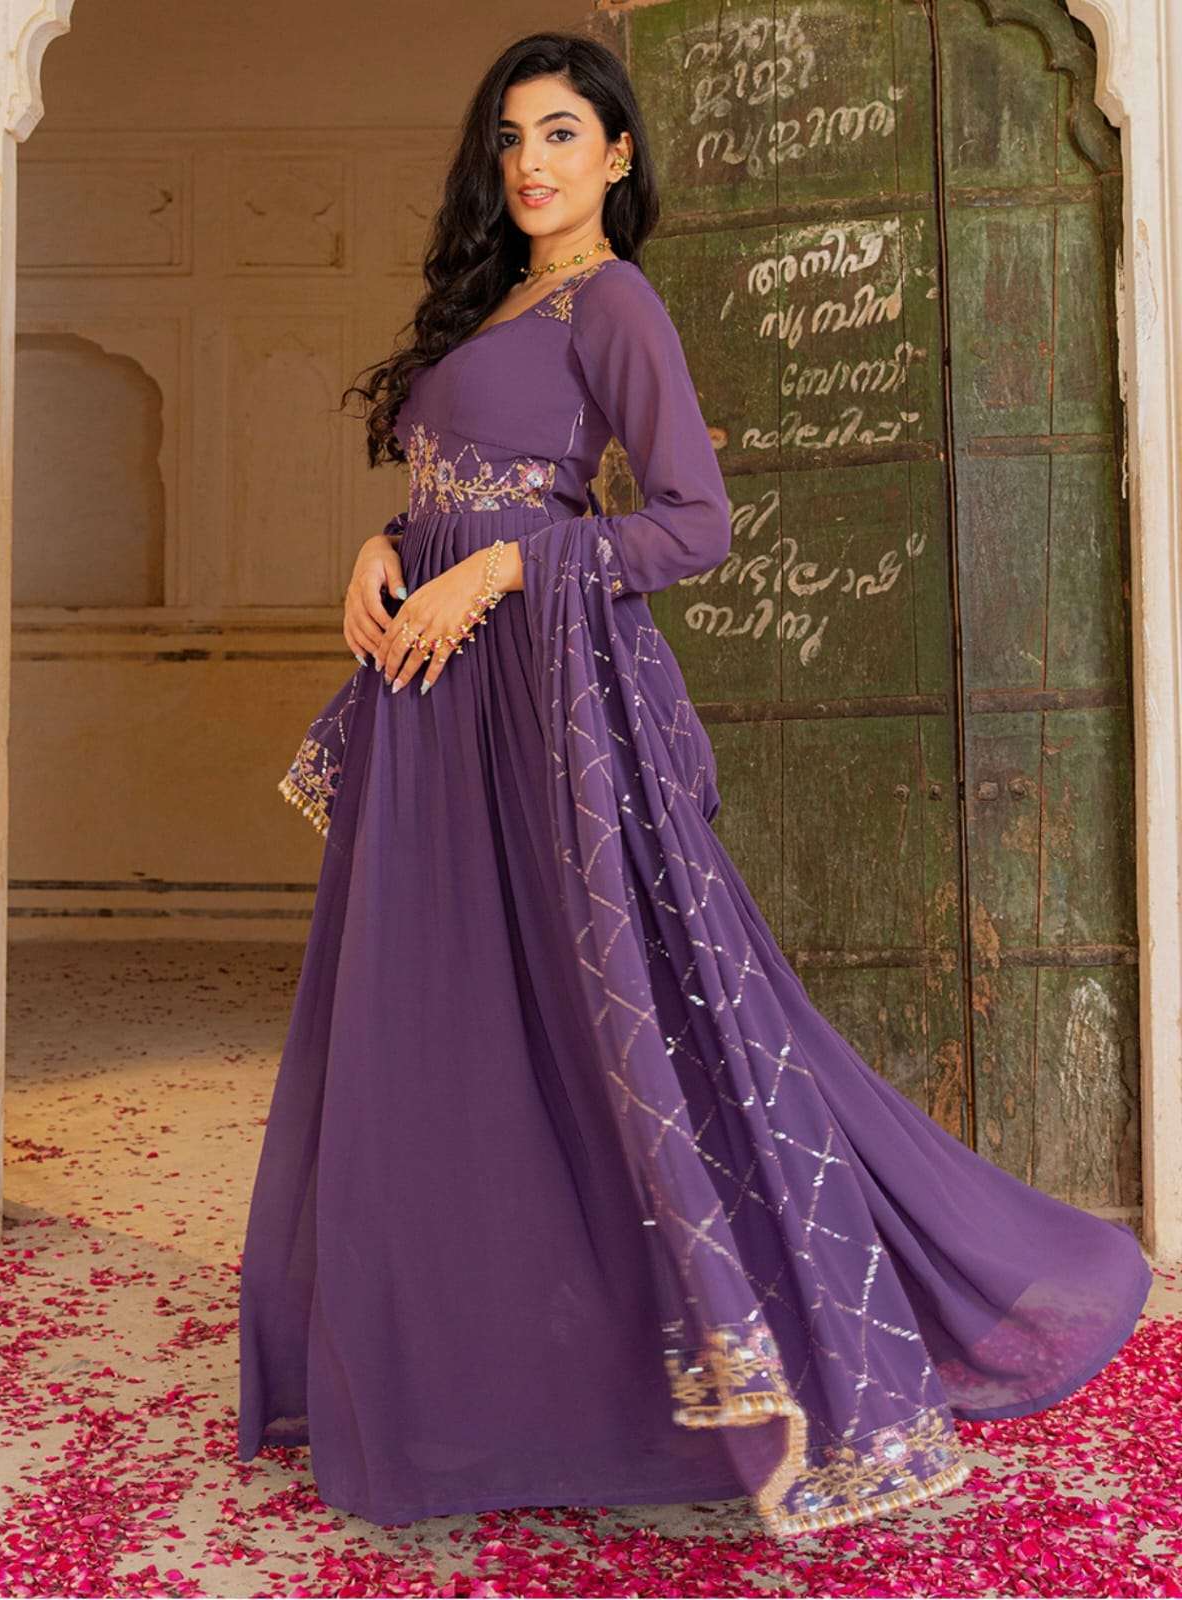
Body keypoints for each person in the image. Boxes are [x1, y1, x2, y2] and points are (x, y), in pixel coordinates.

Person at [237, 31, 1153, 1539]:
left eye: (561, 133)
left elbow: (693, 524)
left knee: (631, 1020)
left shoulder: (616, 302)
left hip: (541, 705)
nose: (530, 162)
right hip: (440, 700)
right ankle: (475, 1355)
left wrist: (506, 571)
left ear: (616, 155)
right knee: (453, 1011)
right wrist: (383, 549)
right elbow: (463, 487)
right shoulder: (492, 302)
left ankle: (814, 1317)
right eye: (510, 137)